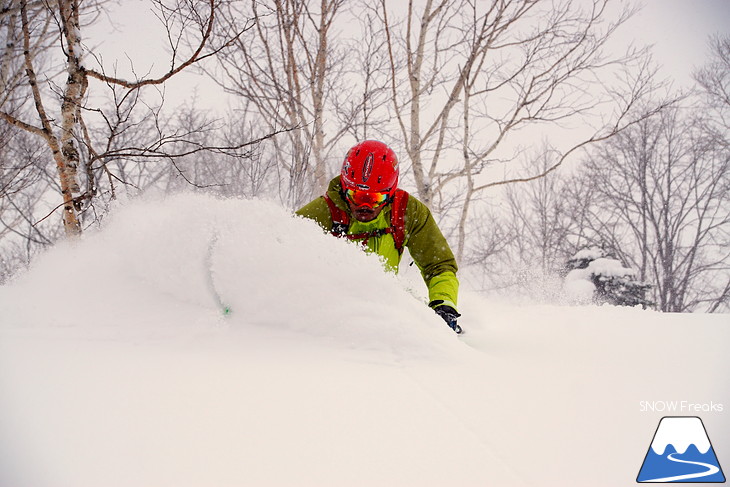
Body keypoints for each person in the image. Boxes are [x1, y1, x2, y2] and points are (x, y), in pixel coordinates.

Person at [296, 140, 462, 334]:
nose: (364, 207)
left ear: (390, 194)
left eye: (375, 199)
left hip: (386, 313)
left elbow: (439, 264)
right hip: (332, 317)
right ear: (344, 187)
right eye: (356, 196)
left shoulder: (406, 211)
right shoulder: (324, 212)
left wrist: (444, 304)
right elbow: (282, 253)